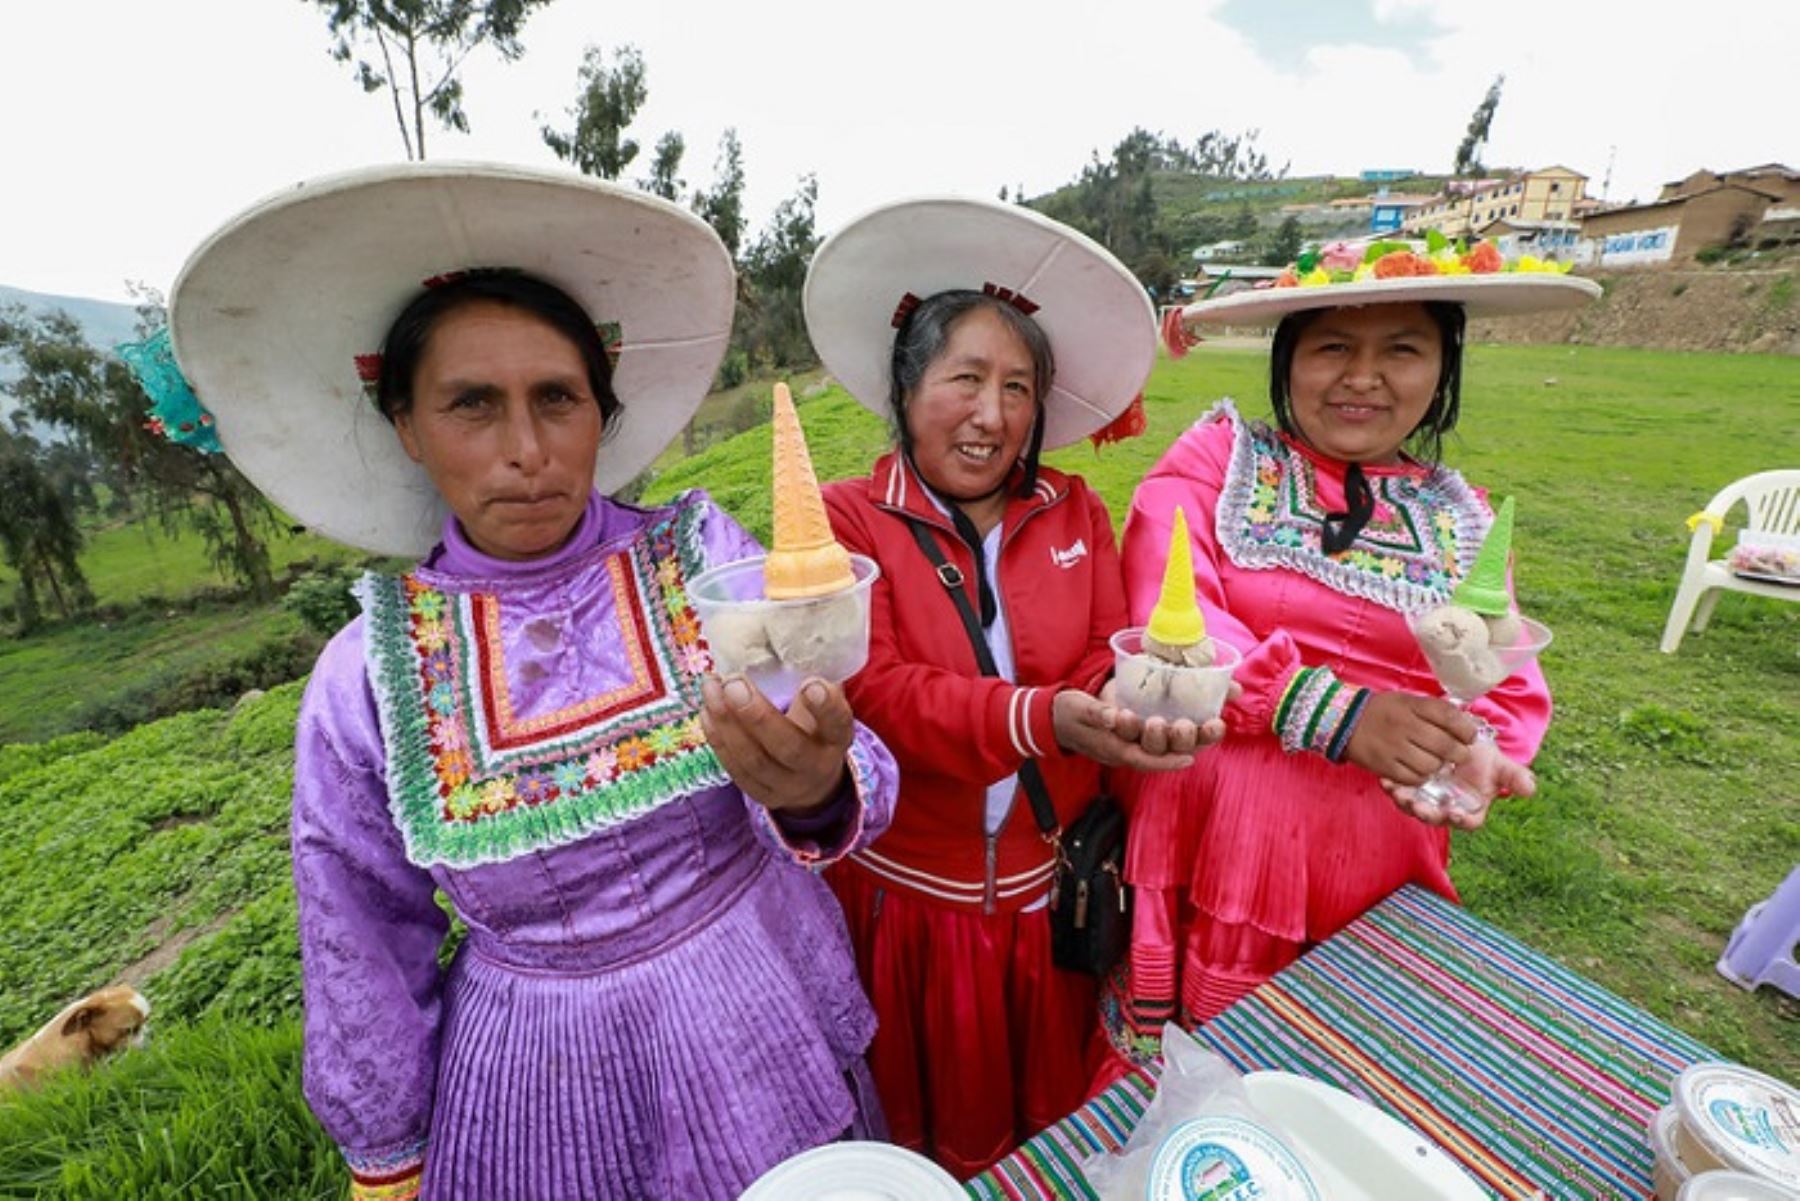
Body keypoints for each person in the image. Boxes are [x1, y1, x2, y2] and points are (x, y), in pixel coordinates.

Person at [150, 164, 898, 1201]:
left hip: (760, 1003)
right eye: (472, 406)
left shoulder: (703, 561)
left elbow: (838, 755)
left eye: (558, 398)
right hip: (548, 1073)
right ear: (407, 427)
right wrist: (386, 1150)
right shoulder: (372, 673)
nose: (527, 451)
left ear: (603, 408)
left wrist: (812, 785)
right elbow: (360, 934)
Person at [1096, 241, 1600, 1076]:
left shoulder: (1460, 516)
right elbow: (1170, 612)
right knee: (1186, 1089)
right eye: (1333, 346)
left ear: (1444, 367)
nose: (1363, 376)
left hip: (1377, 850)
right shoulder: (1217, 462)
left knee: (1332, 1079)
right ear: (1288, 357)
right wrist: (1336, 714)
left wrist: (1479, 749)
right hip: (1217, 832)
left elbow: (1498, 664)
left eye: (1401, 348)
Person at [801, 197, 1220, 1177]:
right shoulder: (848, 522)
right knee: (926, 1135)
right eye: (966, 380)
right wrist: (1045, 717)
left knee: (1046, 1133)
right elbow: (880, 691)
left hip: (1051, 901)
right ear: (905, 390)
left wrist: (1123, 694)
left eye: (1019, 388)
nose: (994, 415)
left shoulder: (1074, 507)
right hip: (915, 912)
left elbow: (1089, 657)